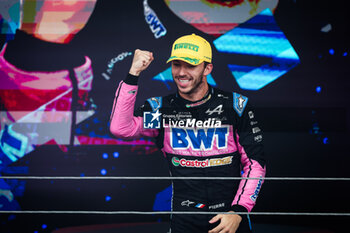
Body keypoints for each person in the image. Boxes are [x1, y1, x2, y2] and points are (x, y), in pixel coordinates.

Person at [109, 34, 266, 233]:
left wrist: (238, 212)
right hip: (185, 220)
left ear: (207, 68)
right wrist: (133, 73)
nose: (181, 72)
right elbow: (121, 129)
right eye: (176, 65)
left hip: (231, 218)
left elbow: (255, 164)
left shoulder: (235, 105)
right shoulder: (160, 109)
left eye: (190, 65)